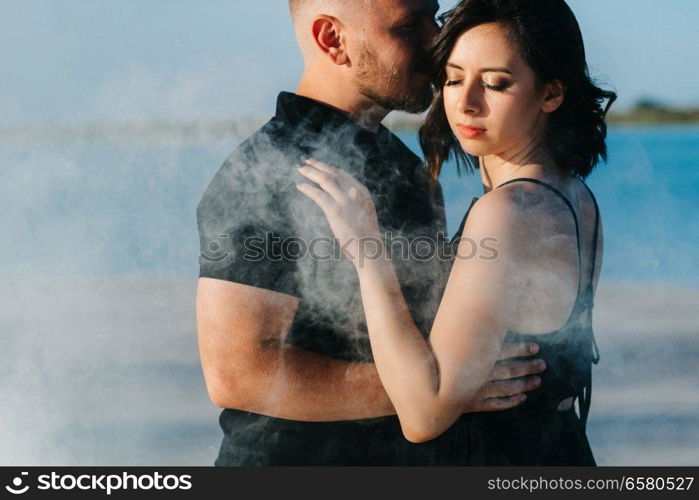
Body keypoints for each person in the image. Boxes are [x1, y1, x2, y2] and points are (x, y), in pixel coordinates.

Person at [196, 0, 545, 466]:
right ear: (331, 40)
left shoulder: (400, 164)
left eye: (433, 16)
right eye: (408, 26)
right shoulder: (268, 171)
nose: (435, 40)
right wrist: (445, 388)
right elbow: (239, 375)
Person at [297, 0, 615, 465]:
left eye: (495, 83)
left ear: (551, 93)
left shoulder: (511, 209)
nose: (465, 101)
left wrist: (367, 250)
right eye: (452, 77)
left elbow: (423, 414)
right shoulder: (571, 194)